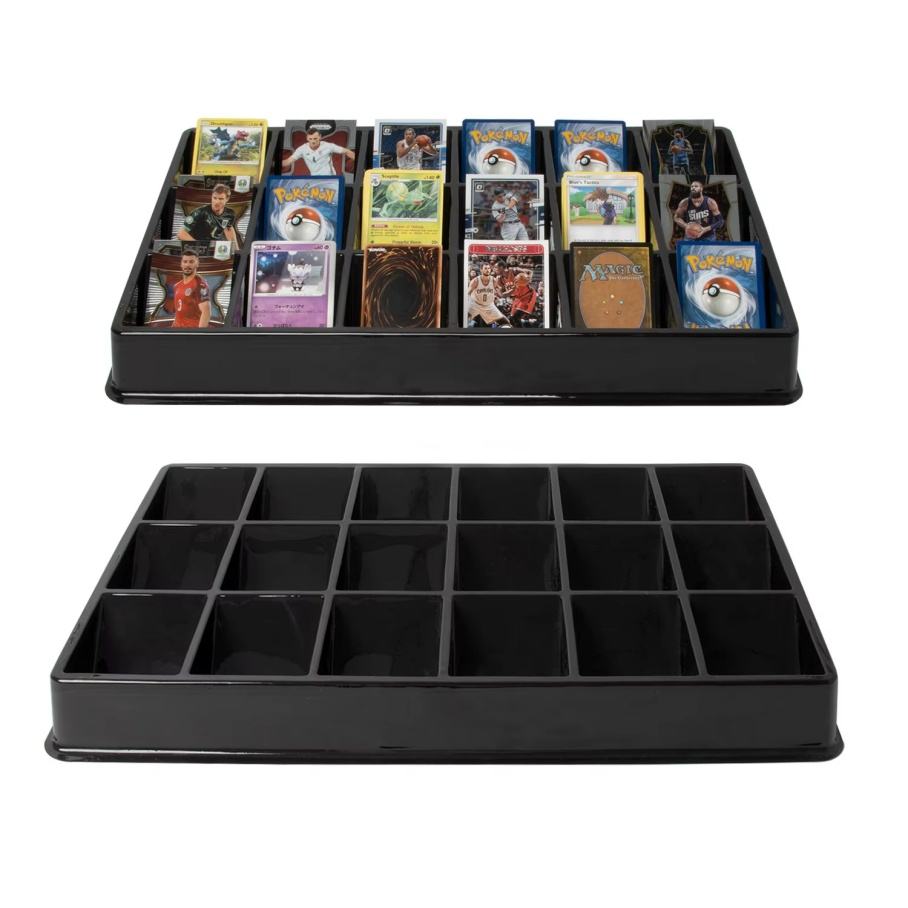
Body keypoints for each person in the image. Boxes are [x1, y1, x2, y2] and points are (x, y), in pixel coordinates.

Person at [283, 127, 354, 175]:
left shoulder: (328, 146)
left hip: (330, 177)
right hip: (315, 178)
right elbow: (287, 162)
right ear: (307, 138)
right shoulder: (302, 149)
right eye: (310, 139)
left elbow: (347, 151)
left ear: (320, 137)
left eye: (315, 138)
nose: (313, 141)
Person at [170, 251, 211, 328]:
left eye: (191, 262)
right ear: (181, 264)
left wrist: (198, 334)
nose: (187, 265)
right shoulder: (177, 286)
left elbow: (206, 311)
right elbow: (178, 314)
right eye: (185, 262)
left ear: (197, 264)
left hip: (191, 331)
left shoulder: (200, 284)